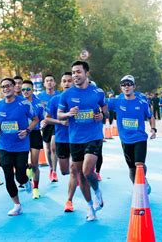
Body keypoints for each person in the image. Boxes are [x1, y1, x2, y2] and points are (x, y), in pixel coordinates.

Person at [58, 61, 106, 221]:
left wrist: (102, 116)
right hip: (75, 139)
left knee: (87, 171)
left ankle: (97, 191)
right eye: (73, 72)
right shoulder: (66, 95)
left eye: (78, 72)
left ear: (86, 73)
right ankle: (90, 206)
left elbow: (105, 110)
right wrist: (68, 114)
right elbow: (59, 115)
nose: (75, 75)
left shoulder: (98, 92)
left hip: (94, 136)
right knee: (81, 176)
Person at [0, 78, 38, 216]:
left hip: (21, 145)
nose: (6, 89)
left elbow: (35, 119)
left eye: (8, 86)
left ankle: (26, 181)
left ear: (14, 87)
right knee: (8, 175)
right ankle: (17, 205)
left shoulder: (24, 104)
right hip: (4, 145)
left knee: (20, 176)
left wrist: (27, 131)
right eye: (3, 86)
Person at [107, 75, 156, 195]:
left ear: (134, 86)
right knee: (132, 168)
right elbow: (98, 103)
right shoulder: (116, 101)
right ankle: (137, 184)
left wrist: (153, 129)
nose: (126, 86)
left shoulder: (142, 101)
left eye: (129, 84)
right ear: (121, 87)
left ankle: (141, 184)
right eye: (123, 84)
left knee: (139, 164)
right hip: (125, 140)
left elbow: (151, 116)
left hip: (139, 138)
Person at [44, 72, 77, 212]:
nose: (67, 83)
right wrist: (60, 122)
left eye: (70, 80)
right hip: (62, 138)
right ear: (61, 84)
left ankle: (69, 200)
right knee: (65, 171)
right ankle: (73, 175)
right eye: (64, 81)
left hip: (78, 138)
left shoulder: (80, 98)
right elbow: (47, 119)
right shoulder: (55, 100)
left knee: (74, 169)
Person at [22, 80, 45, 199]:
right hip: (22, 135)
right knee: (23, 163)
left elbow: (42, 119)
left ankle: (35, 188)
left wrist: (43, 123)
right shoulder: (18, 103)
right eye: (23, 90)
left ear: (32, 90)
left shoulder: (39, 104)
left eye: (28, 89)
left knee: (35, 164)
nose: (25, 92)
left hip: (35, 133)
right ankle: (27, 170)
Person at [37, 74, 60, 182]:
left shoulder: (59, 95)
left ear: (54, 83)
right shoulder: (40, 97)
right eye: (47, 81)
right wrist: (41, 121)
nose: (49, 82)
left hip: (56, 123)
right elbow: (38, 111)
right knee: (47, 149)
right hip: (45, 124)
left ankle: (55, 171)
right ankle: (51, 168)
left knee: (54, 147)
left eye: (51, 80)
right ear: (44, 84)